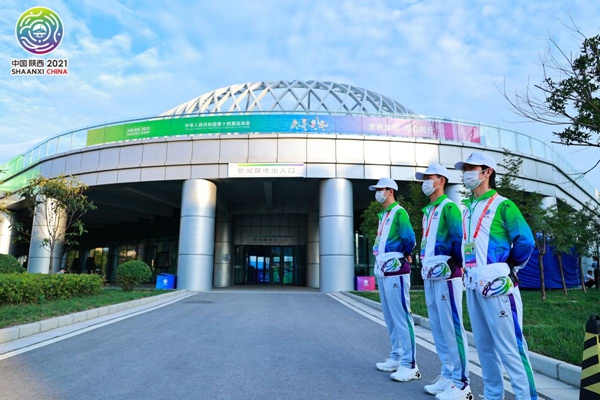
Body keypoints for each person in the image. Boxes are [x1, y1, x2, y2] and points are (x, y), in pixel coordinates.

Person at [455, 152, 537, 400]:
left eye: (471, 168)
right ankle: (492, 395)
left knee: (510, 348)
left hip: (497, 285)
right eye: (464, 169)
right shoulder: (468, 209)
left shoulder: (503, 205)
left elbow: (526, 240)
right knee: (483, 347)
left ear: (487, 172)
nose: (466, 173)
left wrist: (510, 266)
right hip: (473, 284)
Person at [415, 165, 471, 400]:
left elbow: (458, 238)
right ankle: (448, 375)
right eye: (424, 179)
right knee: (438, 328)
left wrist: (458, 265)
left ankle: (462, 383)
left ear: (441, 181)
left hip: (448, 274)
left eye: (429, 178)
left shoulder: (449, 207)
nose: (425, 182)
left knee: (451, 327)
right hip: (430, 274)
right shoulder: (428, 210)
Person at [369, 177, 419, 382]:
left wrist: (406, 253)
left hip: (396, 269)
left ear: (390, 191)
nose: (377, 193)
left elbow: (409, 238)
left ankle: (410, 364)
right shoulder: (384, 215)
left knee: (401, 316)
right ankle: (397, 356)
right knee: (389, 316)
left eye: (380, 189)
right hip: (383, 269)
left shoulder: (399, 212)